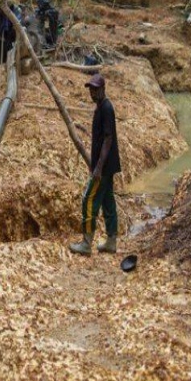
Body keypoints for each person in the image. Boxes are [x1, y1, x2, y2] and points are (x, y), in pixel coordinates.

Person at [70, 73, 120, 255]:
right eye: (90, 89)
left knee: (89, 199)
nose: (92, 92)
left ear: (103, 89)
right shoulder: (100, 107)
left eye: (95, 89)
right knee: (107, 200)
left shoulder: (106, 108)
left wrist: (98, 167)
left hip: (104, 166)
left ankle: (86, 243)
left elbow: (108, 138)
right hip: (107, 164)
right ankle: (111, 241)